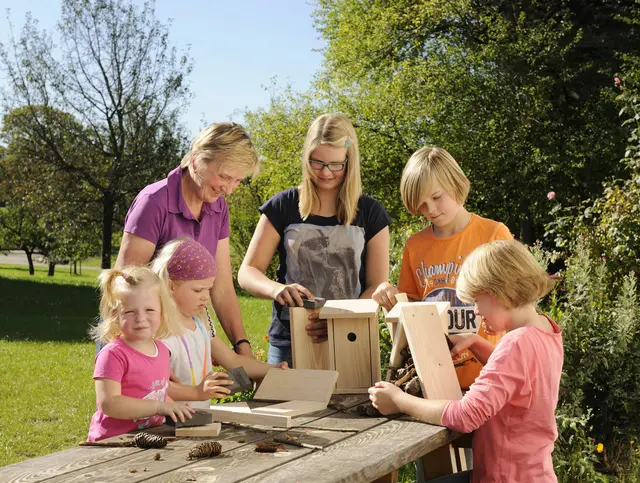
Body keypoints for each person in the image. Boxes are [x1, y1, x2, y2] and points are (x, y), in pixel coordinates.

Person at [369, 240, 562, 483]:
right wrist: (477, 343)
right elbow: (521, 379)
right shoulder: (546, 330)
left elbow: (465, 416)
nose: (477, 312)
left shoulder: (515, 344)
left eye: (477, 302)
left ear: (499, 295)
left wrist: (400, 400)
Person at [238, 113, 391, 366]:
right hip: (289, 342)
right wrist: (277, 289)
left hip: (350, 337)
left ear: (350, 161)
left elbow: (376, 285)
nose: (326, 172)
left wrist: (336, 319)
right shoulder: (283, 205)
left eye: (336, 164)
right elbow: (247, 272)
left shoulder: (371, 212)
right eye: (317, 162)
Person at [114, 122, 259, 357]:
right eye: (224, 177)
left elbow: (221, 285)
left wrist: (242, 345)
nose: (229, 190)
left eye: (238, 181)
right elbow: (124, 286)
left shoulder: (218, 207)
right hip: (141, 337)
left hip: (183, 333)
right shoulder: (153, 202)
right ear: (195, 160)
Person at [372, 146, 512, 390]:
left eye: (436, 197)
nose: (431, 211)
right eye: (422, 205)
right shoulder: (415, 246)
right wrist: (390, 295)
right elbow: (409, 317)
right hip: (434, 383)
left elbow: (515, 308)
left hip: (490, 380)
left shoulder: (494, 234)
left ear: (455, 182)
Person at [152, 238, 288, 408]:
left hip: (199, 421)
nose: (205, 296)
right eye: (197, 290)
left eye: (209, 289)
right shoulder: (159, 332)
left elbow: (232, 360)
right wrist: (197, 392)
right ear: (170, 285)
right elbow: (153, 386)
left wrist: (271, 369)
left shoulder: (200, 325)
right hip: (167, 426)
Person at [88, 266, 195, 441]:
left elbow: (155, 393)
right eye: (130, 312)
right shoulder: (113, 355)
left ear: (162, 311)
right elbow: (109, 403)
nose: (140, 318)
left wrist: (174, 408)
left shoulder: (160, 350)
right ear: (115, 315)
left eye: (149, 310)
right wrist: (158, 407)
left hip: (149, 439)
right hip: (112, 444)